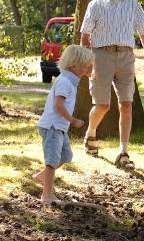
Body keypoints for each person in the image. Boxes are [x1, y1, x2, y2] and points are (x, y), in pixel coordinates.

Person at [80, 0, 144, 169]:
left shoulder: (133, 5)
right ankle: (90, 134)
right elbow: (86, 35)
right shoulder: (95, 5)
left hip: (126, 56)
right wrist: (87, 61)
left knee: (126, 104)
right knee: (102, 105)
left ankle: (123, 152)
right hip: (101, 55)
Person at [34, 45, 94, 203]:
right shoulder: (65, 82)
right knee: (52, 160)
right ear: (74, 65)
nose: (88, 67)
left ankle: (41, 177)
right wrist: (73, 120)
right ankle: (46, 195)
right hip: (52, 127)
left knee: (66, 156)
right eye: (86, 64)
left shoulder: (71, 81)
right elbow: (58, 105)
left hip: (59, 128)